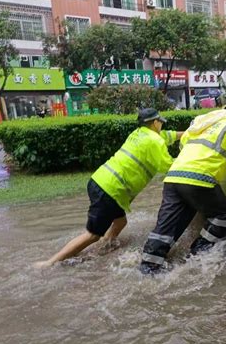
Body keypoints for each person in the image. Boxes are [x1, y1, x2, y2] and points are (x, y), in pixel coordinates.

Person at [34, 108, 183, 268]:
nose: (162, 125)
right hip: (111, 190)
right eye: (160, 122)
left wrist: (190, 133)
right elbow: (168, 166)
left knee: (120, 222)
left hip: (100, 181)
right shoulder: (155, 141)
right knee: (92, 235)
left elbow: (168, 135)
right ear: (155, 122)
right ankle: (50, 263)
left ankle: (104, 248)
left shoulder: (139, 133)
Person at [140, 96, 226, 274]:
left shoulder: (203, 119)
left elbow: (184, 144)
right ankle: (199, 252)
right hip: (200, 177)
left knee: (168, 224)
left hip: (174, 176)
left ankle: (149, 265)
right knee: (222, 214)